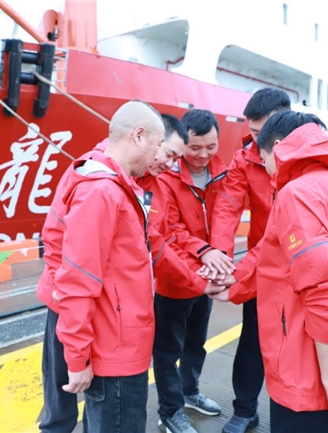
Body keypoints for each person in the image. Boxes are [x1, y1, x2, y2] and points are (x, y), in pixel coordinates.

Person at [212, 111, 328, 433]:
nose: (266, 169)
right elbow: (281, 260)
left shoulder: (297, 193)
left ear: (276, 148)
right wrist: (235, 286)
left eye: (263, 159)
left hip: (311, 376)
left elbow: (324, 288)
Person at [37, 107, 200, 433]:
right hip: (115, 339)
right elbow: (78, 278)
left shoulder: (108, 179)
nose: (165, 161)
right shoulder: (102, 191)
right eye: (160, 147)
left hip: (111, 329)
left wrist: (197, 281)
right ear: (138, 136)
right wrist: (77, 356)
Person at [210, 88, 290, 433]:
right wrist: (221, 259)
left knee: (298, 345)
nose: (258, 141)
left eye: (263, 133)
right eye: (253, 132)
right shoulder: (245, 159)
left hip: (302, 265)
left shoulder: (307, 158)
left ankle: (295, 414)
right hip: (261, 269)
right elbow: (228, 206)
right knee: (252, 341)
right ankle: (244, 410)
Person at [152, 109, 234, 433]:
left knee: (196, 343)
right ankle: (170, 411)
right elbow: (169, 230)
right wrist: (204, 250)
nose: (203, 155)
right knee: (167, 350)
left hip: (207, 277)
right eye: (194, 147)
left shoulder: (223, 173)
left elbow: (226, 218)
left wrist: (219, 258)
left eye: (211, 147)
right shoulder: (165, 177)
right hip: (175, 278)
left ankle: (190, 391)